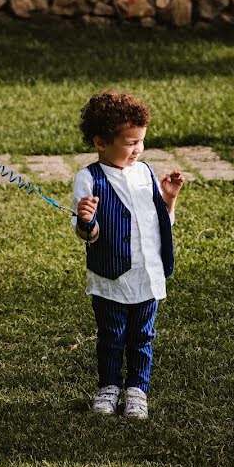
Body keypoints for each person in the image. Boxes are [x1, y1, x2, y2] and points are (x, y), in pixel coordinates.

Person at [71, 90, 184, 419]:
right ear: (101, 143)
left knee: (142, 335)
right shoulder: (88, 179)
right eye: (130, 142)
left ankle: (137, 389)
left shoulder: (145, 173)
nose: (138, 149)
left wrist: (169, 199)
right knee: (111, 335)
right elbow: (84, 234)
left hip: (146, 274)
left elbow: (158, 222)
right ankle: (108, 387)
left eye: (141, 141)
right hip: (111, 277)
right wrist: (88, 221)